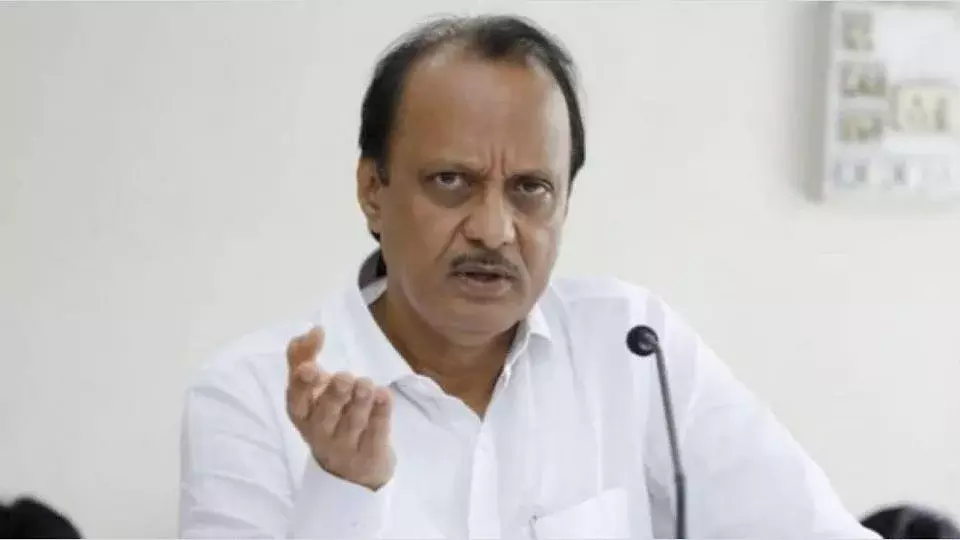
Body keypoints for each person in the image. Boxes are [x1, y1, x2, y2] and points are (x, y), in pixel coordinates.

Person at [178, 14, 878, 539]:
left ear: (566, 202)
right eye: (451, 181)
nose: (493, 229)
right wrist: (341, 488)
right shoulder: (250, 394)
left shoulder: (632, 346)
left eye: (530, 189)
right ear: (373, 191)